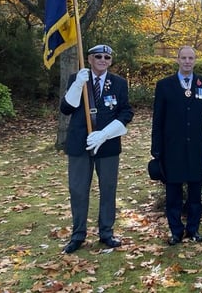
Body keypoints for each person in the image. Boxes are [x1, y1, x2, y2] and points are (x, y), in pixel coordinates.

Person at [60, 44, 134, 254]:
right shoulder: (78, 78)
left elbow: (126, 111)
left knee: (108, 189)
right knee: (78, 190)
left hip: (108, 145)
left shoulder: (118, 83)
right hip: (79, 144)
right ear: (90, 59)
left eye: (107, 57)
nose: (103, 60)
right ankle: (78, 235)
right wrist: (77, 87)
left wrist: (105, 134)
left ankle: (106, 232)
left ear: (110, 61)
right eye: (98, 56)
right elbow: (66, 109)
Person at [151, 46, 202, 245]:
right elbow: (158, 119)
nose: (187, 61)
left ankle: (193, 229)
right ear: (177, 60)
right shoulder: (164, 85)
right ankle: (176, 231)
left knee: (195, 194)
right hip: (172, 148)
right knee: (173, 193)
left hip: (197, 146)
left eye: (191, 58)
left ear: (195, 60)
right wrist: (156, 147)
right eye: (184, 58)